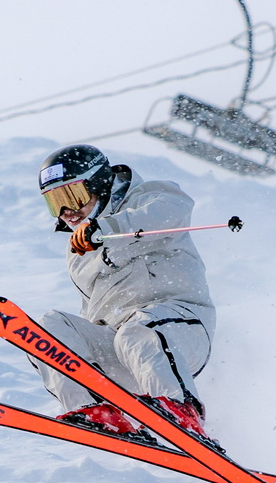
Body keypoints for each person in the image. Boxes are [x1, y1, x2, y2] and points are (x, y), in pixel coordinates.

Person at [31, 144, 217, 441]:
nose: (67, 211)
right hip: (120, 350)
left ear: (99, 184)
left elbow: (170, 213)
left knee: (138, 330)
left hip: (178, 333)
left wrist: (104, 228)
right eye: (55, 203)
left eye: (72, 196)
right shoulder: (79, 251)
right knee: (47, 328)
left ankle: (181, 411)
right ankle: (94, 412)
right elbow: (91, 310)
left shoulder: (151, 198)